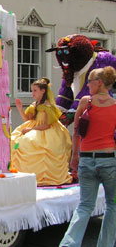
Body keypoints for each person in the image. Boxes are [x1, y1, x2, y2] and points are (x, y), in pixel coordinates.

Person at [60, 66, 116, 247]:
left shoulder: (86, 102)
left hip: (86, 159)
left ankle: (69, 244)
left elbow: (76, 132)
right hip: (109, 161)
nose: (87, 85)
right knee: (113, 206)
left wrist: (74, 157)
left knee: (84, 206)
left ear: (99, 83)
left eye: (89, 82)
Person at [11, 78, 72, 186]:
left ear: (43, 91)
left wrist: (31, 129)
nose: (32, 93)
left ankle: (41, 176)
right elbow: (28, 120)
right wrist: (20, 109)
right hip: (34, 127)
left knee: (30, 141)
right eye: (32, 90)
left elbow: (46, 125)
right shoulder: (34, 105)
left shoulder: (48, 106)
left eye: (35, 90)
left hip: (45, 130)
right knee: (15, 139)